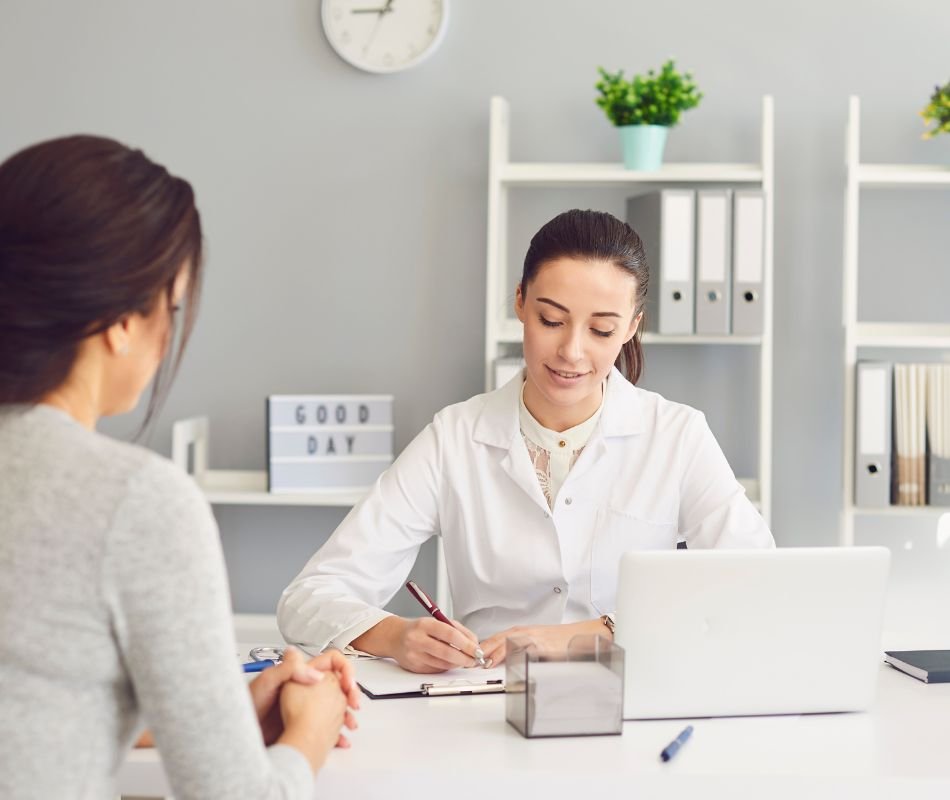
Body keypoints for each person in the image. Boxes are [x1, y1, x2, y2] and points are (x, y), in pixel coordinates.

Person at [0, 135, 360, 799]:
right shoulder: (132, 500)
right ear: (119, 322)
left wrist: (214, 715)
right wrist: (311, 731)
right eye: (170, 307)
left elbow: (32, 707)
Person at [277, 208, 774, 674]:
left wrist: (588, 634)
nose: (572, 352)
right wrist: (394, 635)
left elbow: (756, 583)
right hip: (487, 705)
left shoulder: (676, 436)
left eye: (602, 330)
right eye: (551, 321)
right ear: (520, 301)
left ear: (632, 327)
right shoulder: (454, 439)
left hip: (631, 701)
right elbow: (309, 597)